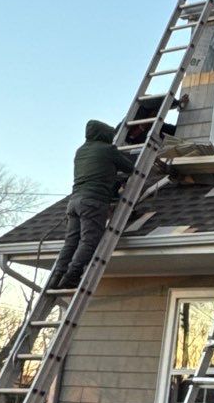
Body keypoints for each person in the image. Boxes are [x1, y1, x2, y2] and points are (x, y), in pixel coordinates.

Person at [48, 119, 143, 292]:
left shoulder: (80, 151)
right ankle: (71, 276)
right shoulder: (108, 150)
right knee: (89, 241)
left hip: (74, 202)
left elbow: (98, 168)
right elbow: (130, 168)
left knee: (71, 242)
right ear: (103, 134)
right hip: (93, 202)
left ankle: (56, 277)